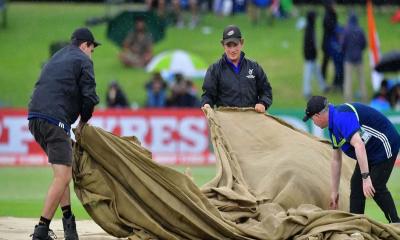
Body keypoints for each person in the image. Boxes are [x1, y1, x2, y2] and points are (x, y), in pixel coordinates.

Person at [28, 27, 100, 239]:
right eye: (92, 49)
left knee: (62, 172)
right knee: (63, 176)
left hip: (35, 117)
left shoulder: (58, 56)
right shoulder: (84, 60)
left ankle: (69, 226)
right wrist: (83, 124)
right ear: (85, 45)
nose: (91, 53)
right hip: (54, 120)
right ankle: (41, 229)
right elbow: (89, 98)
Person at [303, 96, 400, 223]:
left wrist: (365, 177)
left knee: (375, 185)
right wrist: (334, 192)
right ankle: (356, 227)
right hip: (370, 151)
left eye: (311, 119)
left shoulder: (340, 118)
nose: (313, 122)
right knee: (356, 185)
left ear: (317, 116)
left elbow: (359, 144)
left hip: (386, 143)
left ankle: (396, 224)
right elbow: (336, 160)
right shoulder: (333, 126)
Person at [201, 25, 273, 112]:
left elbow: (266, 91)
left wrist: (263, 103)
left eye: (235, 45)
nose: (232, 50)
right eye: (228, 45)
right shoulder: (215, 69)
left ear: (242, 43)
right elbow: (208, 95)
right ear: (223, 45)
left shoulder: (254, 67)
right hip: (226, 121)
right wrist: (207, 104)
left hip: (252, 120)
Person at [302, 11, 328, 99]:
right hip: (310, 55)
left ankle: (323, 86)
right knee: (308, 74)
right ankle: (306, 91)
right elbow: (310, 44)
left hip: (311, 55)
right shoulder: (309, 28)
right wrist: (313, 53)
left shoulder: (310, 27)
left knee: (317, 72)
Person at [342, 12, 367, 102]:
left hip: (348, 58)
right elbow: (364, 44)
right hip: (359, 58)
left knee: (348, 80)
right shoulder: (360, 30)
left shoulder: (346, 30)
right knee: (361, 79)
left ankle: (348, 100)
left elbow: (343, 44)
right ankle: (364, 97)